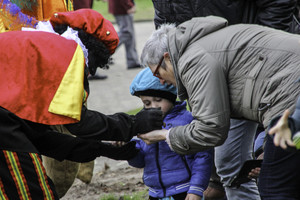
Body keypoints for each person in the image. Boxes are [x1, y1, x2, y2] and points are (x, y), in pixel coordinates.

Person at [0, 8, 163, 199]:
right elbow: (80, 123)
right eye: (94, 64)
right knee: (34, 192)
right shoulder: (68, 51)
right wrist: (133, 123)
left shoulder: (42, 49)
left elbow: (38, 136)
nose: (91, 72)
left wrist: (102, 149)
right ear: (92, 48)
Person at [149, 1, 300, 199]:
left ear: (168, 57)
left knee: (274, 186)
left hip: (284, 86)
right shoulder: (201, 48)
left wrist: (164, 135)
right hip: (267, 84)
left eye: (157, 73)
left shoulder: (193, 58)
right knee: (240, 167)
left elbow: (211, 129)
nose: (160, 81)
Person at [127, 68, 213, 200]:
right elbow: (140, 161)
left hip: (185, 191)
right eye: (147, 103)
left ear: (171, 98)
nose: (153, 106)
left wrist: (196, 188)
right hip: (155, 193)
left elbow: (202, 156)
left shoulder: (188, 120)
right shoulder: (144, 124)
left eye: (158, 99)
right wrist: (127, 149)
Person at [104, 0, 141, 69]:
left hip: (121, 6)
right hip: (122, 7)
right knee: (126, 32)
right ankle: (105, 49)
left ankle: (132, 60)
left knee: (129, 34)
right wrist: (128, 5)